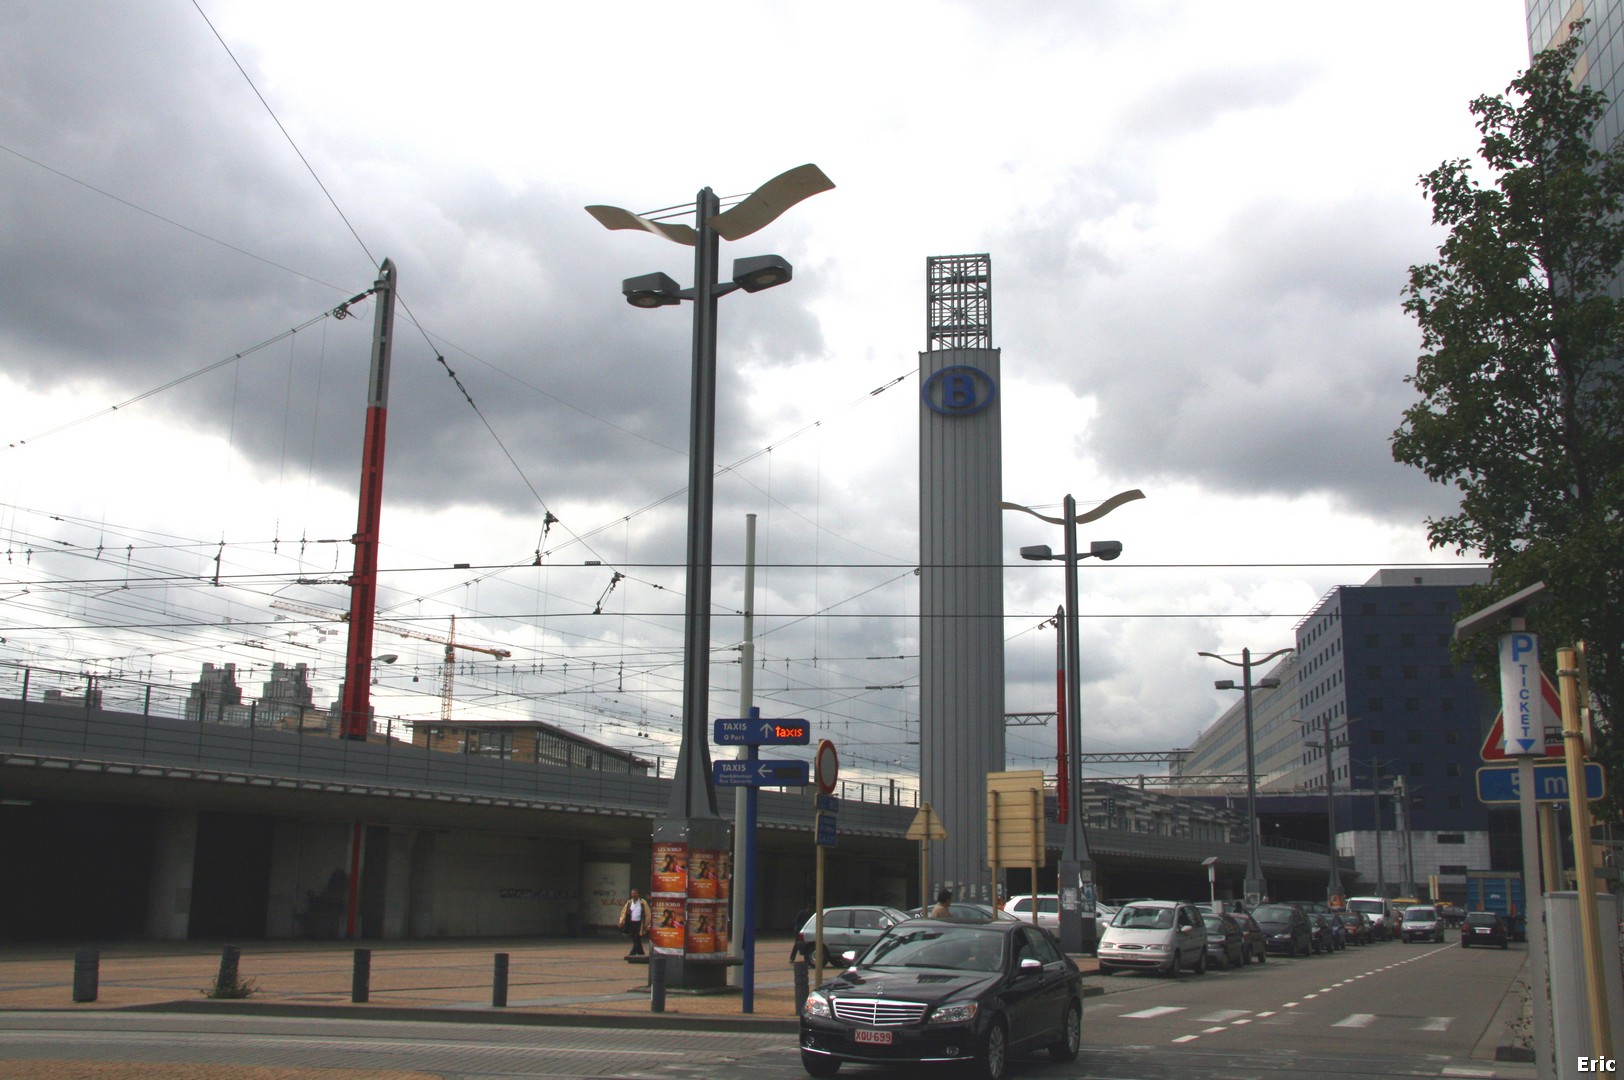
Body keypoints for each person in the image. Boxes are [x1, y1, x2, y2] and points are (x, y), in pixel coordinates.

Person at [618, 888, 649, 956]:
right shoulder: (629, 903)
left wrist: (646, 924)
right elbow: (624, 912)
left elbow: (647, 914)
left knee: (637, 937)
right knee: (635, 938)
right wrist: (621, 921)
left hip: (639, 923)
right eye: (632, 893)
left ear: (638, 894)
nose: (633, 895)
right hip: (632, 923)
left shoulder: (643, 902)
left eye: (635, 893)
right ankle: (641, 952)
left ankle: (633, 952)